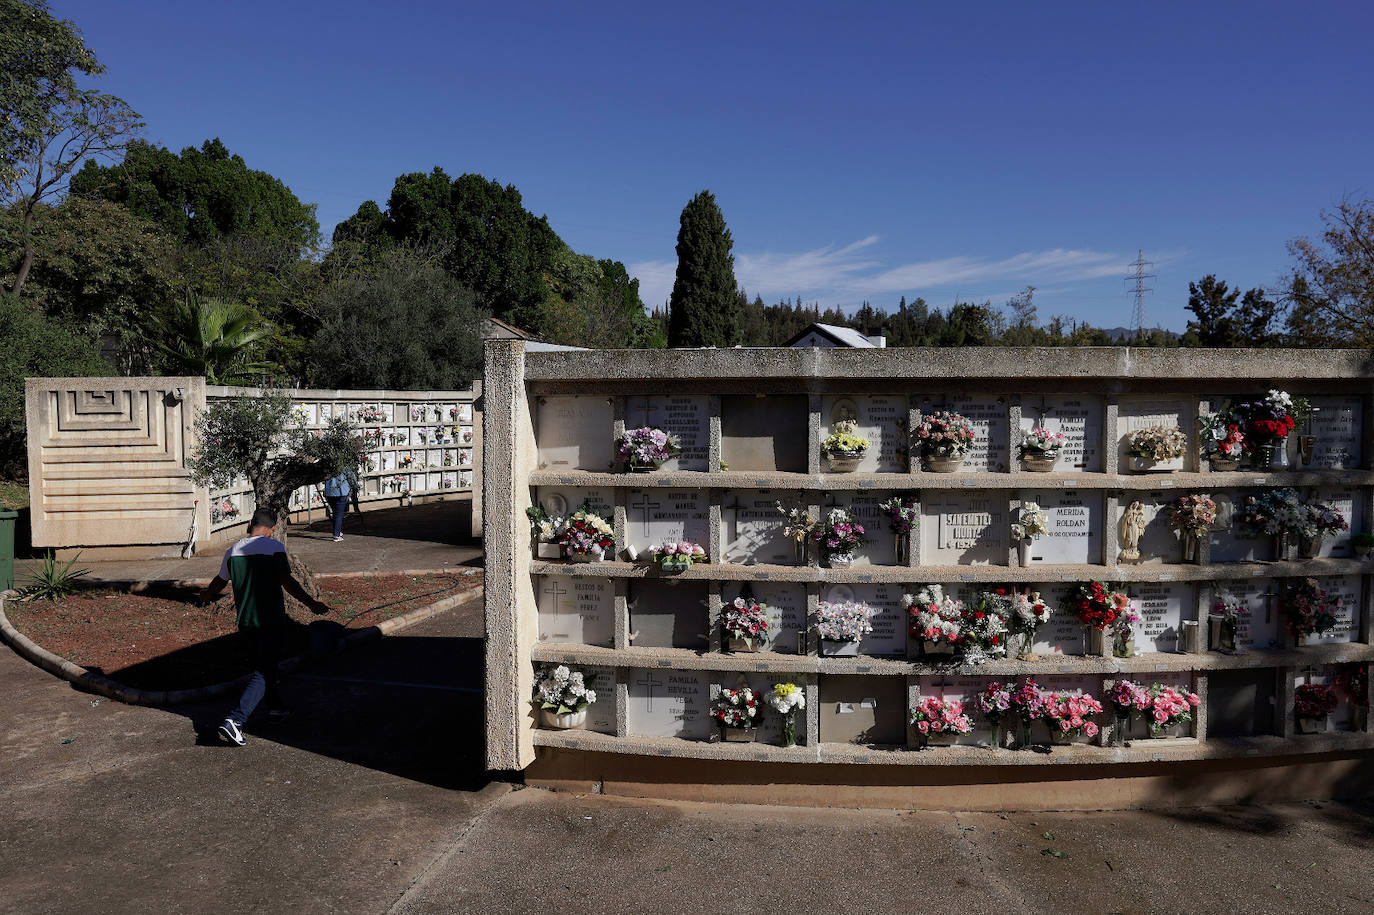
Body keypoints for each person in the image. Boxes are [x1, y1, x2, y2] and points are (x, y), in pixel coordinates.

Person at [198, 508, 332, 746]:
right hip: (270, 619)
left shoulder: (233, 551)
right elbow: (287, 581)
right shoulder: (274, 548)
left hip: (246, 622)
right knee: (263, 671)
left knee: (265, 667)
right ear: (271, 530)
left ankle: (275, 707)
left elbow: (220, 581)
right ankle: (235, 720)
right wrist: (311, 603)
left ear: (250, 523)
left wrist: (206, 596)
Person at [322, 471, 351, 542]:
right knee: (338, 514)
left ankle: (337, 531)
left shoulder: (327, 466)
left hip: (329, 492)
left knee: (335, 513)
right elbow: (351, 477)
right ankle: (336, 535)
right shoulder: (344, 466)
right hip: (341, 492)